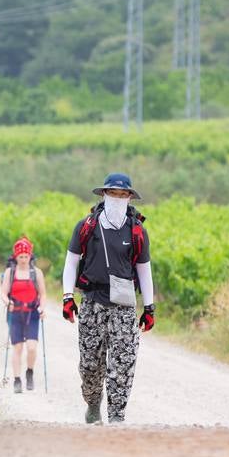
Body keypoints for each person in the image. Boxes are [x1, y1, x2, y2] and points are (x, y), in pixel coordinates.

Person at [61, 173, 156, 424]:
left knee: (123, 362)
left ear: (129, 197)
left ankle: (117, 417)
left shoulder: (136, 230)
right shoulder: (86, 226)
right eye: (113, 193)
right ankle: (93, 403)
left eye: (122, 194)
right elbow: (71, 262)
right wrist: (67, 296)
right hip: (92, 301)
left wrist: (149, 307)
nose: (117, 198)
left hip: (124, 305)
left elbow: (144, 269)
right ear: (104, 194)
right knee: (90, 363)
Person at [1, 236, 45, 394]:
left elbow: (43, 294)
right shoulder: (10, 272)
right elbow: (4, 293)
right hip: (15, 314)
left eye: (26, 256)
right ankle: (17, 380)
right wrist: (8, 303)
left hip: (32, 313)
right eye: (21, 256)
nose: (24, 259)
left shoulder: (36, 273)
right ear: (16, 257)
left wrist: (42, 308)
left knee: (32, 348)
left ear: (30, 256)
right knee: (17, 348)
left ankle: (30, 372)